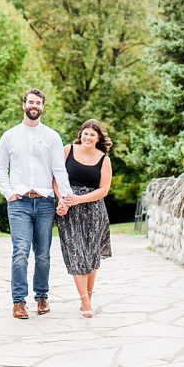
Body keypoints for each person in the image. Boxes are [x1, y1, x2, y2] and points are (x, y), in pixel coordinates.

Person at [0, 88, 74, 319]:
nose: (34, 106)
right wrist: (8, 192)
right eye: (30, 102)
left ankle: (41, 297)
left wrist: (65, 198)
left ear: (42, 106)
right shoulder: (9, 136)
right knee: (20, 252)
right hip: (19, 203)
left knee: (43, 254)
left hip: (45, 202)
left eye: (38, 102)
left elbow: (59, 169)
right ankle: (19, 302)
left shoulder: (51, 136)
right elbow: (0, 166)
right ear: (24, 105)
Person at [53, 119, 113, 318]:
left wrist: (79, 199)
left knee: (91, 256)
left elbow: (104, 189)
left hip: (94, 211)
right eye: (85, 133)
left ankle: (88, 296)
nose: (88, 137)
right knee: (77, 254)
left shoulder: (104, 159)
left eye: (92, 134)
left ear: (98, 138)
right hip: (70, 211)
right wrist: (62, 200)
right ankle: (85, 301)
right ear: (81, 134)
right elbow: (55, 179)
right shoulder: (67, 150)